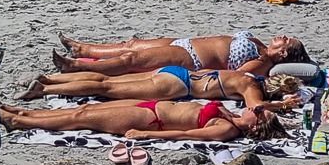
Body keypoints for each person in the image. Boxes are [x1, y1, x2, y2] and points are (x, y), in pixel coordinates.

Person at [0, 98, 287, 142]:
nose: (257, 108)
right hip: (152, 106)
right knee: (85, 109)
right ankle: (24, 113)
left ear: (256, 125)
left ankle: (20, 122)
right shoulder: (235, 115)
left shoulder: (225, 129)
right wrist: (277, 105)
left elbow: (184, 136)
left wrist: (146, 135)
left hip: (150, 119)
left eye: (259, 113)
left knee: (80, 117)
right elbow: (259, 104)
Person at [22, 67, 300, 109]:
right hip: (178, 85)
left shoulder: (249, 73)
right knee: (107, 90)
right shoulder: (250, 86)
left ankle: (50, 80)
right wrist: (282, 105)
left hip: (174, 72)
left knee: (108, 80)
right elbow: (256, 107)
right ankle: (42, 91)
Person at [55, 33, 307, 77]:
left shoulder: (261, 63)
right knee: (131, 45)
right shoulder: (260, 45)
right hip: (186, 43)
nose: (282, 36)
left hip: (192, 59)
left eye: (286, 40)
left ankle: (76, 66)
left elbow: (236, 76)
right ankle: (83, 49)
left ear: (284, 52)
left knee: (131, 62)